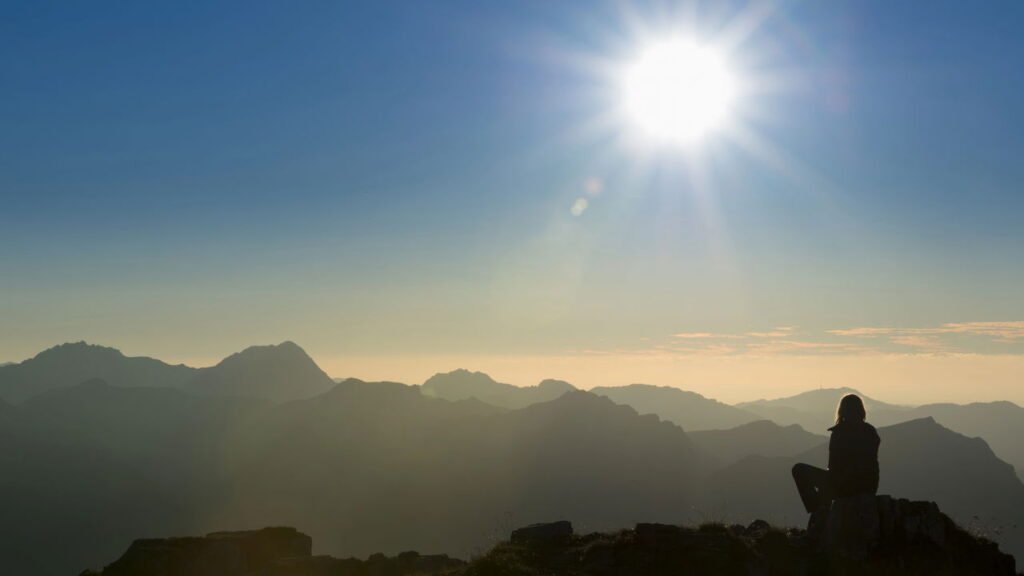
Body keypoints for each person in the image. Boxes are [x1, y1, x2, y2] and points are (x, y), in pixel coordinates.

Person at [791, 393, 881, 515]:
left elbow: (834, 466)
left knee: (799, 470)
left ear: (842, 411)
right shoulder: (870, 431)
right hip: (868, 487)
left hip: (844, 486)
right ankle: (822, 512)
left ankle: (818, 512)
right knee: (830, 481)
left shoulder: (839, 433)